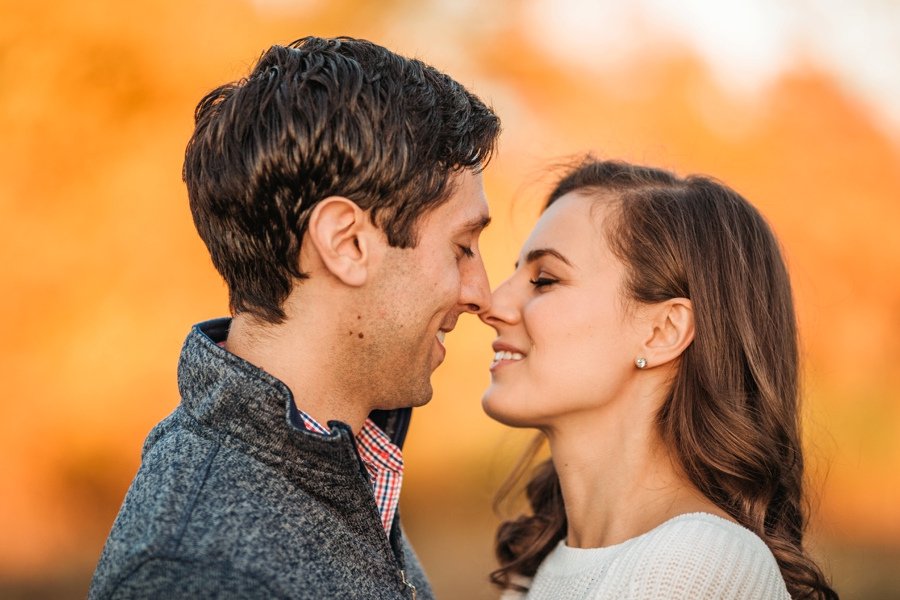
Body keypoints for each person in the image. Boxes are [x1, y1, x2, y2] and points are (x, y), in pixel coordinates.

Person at [88, 36, 499, 600]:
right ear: (346, 243)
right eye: (462, 247)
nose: (482, 294)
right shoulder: (200, 575)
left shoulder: (335, 470)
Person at [480, 159, 838, 600]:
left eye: (544, 280)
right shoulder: (537, 571)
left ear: (663, 331)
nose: (492, 304)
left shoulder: (697, 562)